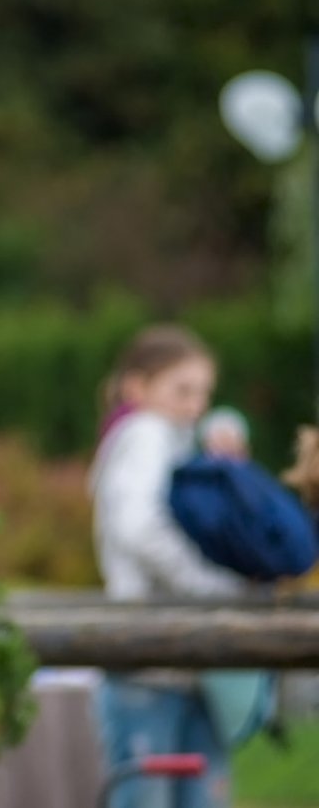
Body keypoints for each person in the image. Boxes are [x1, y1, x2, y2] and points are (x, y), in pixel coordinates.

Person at [88, 324, 244, 808]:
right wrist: (208, 583)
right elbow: (139, 527)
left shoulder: (162, 437)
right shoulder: (146, 432)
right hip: (150, 664)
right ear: (138, 387)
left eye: (203, 392)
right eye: (182, 390)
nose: (195, 404)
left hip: (174, 664)